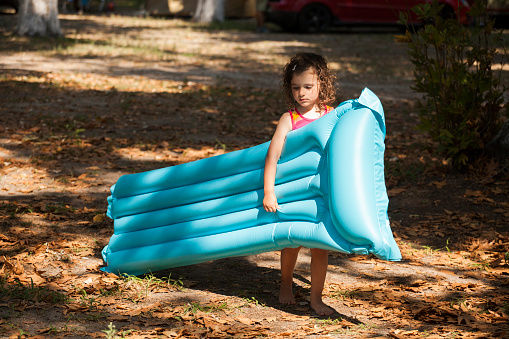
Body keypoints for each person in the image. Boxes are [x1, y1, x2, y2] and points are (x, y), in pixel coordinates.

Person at [263, 52, 337, 316]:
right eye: (296, 88)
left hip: (321, 193)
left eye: (308, 87)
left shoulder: (332, 116)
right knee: (292, 241)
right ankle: (286, 284)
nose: (302, 93)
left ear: (322, 85)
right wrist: (269, 191)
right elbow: (272, 156)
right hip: (295, 193)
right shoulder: (289, 119)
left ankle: (316, 298)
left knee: (320, 247)